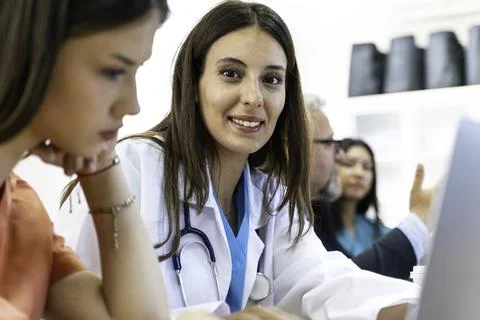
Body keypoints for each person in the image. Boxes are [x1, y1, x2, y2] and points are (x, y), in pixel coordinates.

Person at [61, 1, 418, 319]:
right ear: (194, 84)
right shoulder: (129, 168)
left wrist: (418, 305)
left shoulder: (271, 197)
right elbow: (72, 304)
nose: (254, 97)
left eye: (271, 80)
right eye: (231, 73)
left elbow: (327, 285)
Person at [0, 1, 171, 319]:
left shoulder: (22, 216)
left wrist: (102, 172)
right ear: (31, 50)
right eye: (114, 71)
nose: (131, 105)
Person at [305, 94, 432, 279]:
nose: (359, 174)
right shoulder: (311, 221)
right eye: (349, 164)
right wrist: (418, 218)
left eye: (367, 167)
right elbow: (343, 284)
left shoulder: (376, 229)